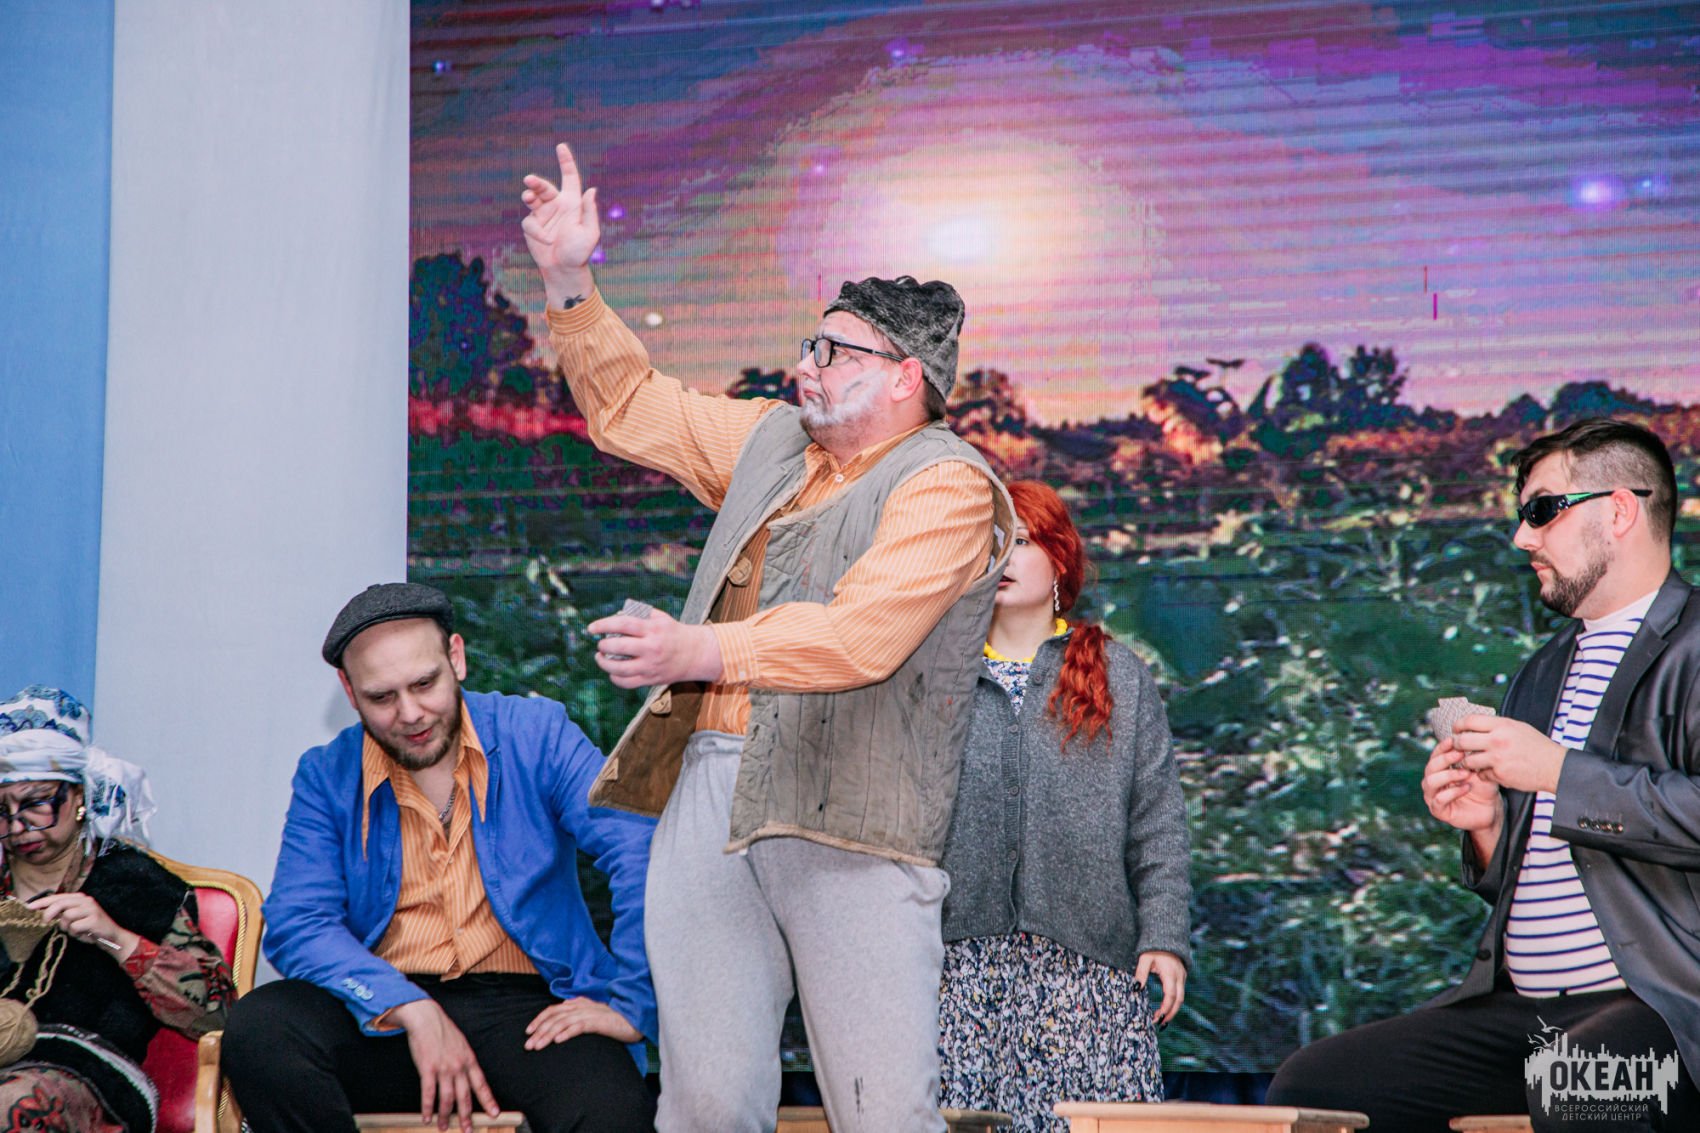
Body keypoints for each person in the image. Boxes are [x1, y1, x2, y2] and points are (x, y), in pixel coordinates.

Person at [519, 142, 1015, 1132]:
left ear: (905, 377)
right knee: (703, 1102)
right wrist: (568, 280)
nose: (805, 366)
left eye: (833, 352)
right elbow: (633, 409)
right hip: (712, 783)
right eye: (809, 345)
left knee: (880, 1111)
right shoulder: (772, 440)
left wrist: (699, 651)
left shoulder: (947, 484)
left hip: (851, 815)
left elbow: (861, 635)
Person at [1267, 418, 1700, 1132]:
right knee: (1317, 1088)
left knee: (1580, 1079)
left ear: (1620, 511)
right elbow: (1547, 874)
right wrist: (1490, 828)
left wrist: (1557, 770)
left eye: (1543, 510)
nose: (1522, 537)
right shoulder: (1542, 669)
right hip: (1527, 1013)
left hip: (1665, 1007)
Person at [221, 583, 657, 1133]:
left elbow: (637, 848)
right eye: (382, 697)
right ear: (349, 692)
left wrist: (632, 1004)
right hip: (386, 1012)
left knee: (612, 1112)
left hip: (532, 1012)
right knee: (261, 1030)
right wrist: (410, 1007)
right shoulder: (327, 774)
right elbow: (298, 922)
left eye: (424, 684)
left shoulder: (536, 734)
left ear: (456, 657)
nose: (410, 713)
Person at [937, 481, 1191, 1132]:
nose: (1002, 557)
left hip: (1089, 979)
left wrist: (1164, 938)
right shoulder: (936, 675)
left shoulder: (1119, 674)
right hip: (959, 976)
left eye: (1021, 542)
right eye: (989, 544)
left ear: (1059, 559)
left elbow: (1158, 822)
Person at [0, 686, 233, 1133]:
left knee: (15, 1104)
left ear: (80, 797)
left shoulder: (133, 882)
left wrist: (115, 938)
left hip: (86, 1073)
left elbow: (218, 1012)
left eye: (36, 803)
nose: (17, 825)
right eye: (1, 810)